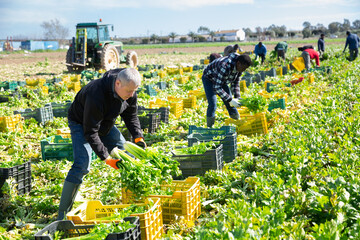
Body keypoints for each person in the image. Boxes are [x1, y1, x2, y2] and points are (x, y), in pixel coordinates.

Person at [57, 68, 146, 220]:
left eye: (134, 91)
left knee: (128, 153)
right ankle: (62, 215)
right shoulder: (96, 93)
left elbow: (130, 115)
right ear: (118, 83)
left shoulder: (129, 89)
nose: (132, 95)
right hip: (81, 123)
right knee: (82, 164)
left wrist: (138, 137)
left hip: (105, 123)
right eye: (129, 91)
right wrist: (106, 158)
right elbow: (90, 131)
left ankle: (134, 201)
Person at [202, 53, 252, 128]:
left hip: (222, 80)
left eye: (245, 69)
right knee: (213, 104)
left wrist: (237, 97)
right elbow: (217, 87)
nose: (243, 70)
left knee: (230, 104)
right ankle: (209, 127)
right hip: (209, 78)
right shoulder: (224, 66)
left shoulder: (240, 68)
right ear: (238, 63)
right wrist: (230, 99)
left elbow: (235, 83)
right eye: (243, 68)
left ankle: (238, 123)